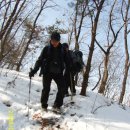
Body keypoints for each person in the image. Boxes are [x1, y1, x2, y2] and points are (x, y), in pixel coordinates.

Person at [29, 32, 70, 112]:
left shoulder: (63, 50)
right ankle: (44, 105)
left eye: (56, 41)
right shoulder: (46, 48)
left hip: (58, 73)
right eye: (53, 40)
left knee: (62, 87)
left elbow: (67, 62)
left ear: (59, 41)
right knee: (46, 88)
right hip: (47, 71)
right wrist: (34, 70)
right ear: (50, 40)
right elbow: (40, 60)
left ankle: (57, 105)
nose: (54, 42)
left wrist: (69, 70)